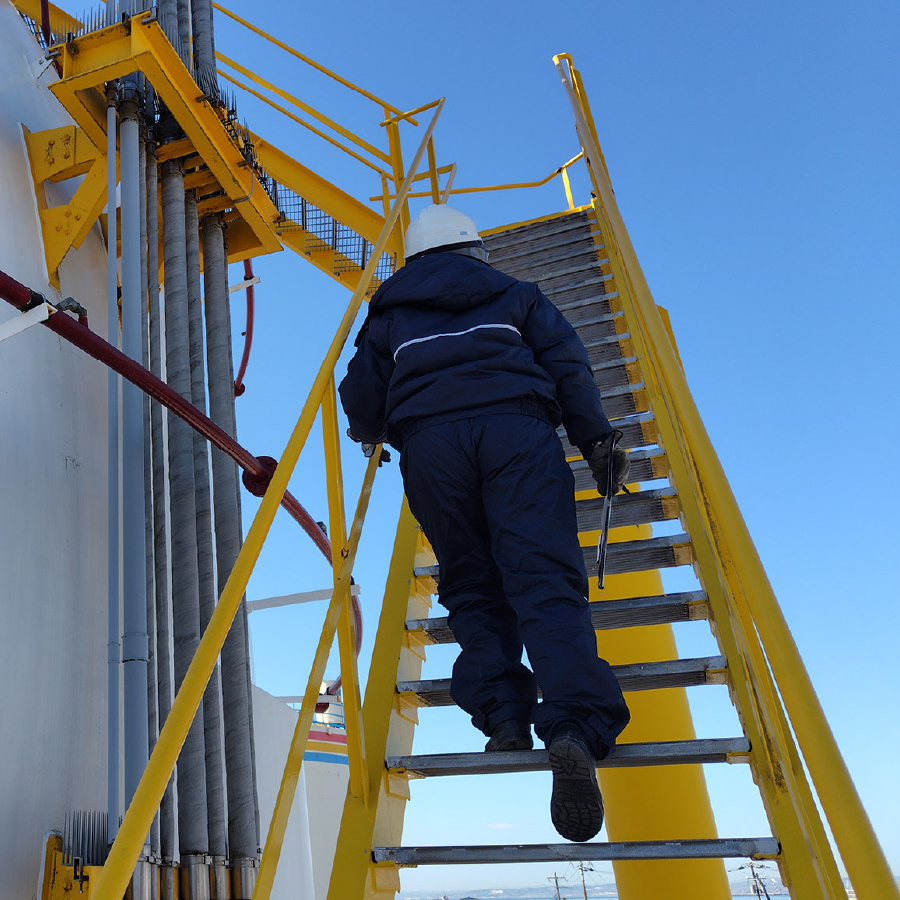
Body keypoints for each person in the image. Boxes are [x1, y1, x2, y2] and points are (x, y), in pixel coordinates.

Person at [338, 204, 631, 843]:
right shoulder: (519, 297)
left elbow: (359, 394)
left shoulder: (388, 316)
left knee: (471, 584)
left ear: (412, 261)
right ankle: (573, 726)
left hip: (431, 449)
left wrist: (374, 434)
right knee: (545, 583)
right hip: (516, 434)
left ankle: (503, 714)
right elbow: (569, 368)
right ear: (476, 252)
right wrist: (595, 440)